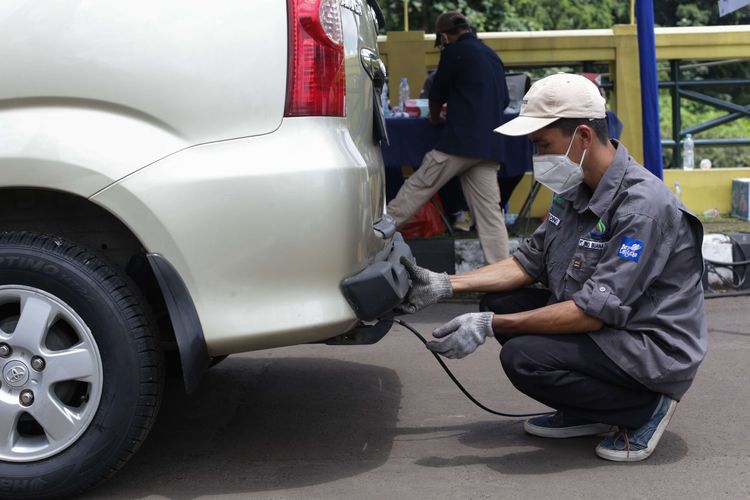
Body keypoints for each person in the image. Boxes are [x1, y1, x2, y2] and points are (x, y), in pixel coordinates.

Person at [397, 73, 707, 462]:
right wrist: (445, 284)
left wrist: (491, 325)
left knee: (522, 357)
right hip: (612, 328)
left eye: (543, 145)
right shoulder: (574, 190)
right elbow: (526, 263)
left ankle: (643, 408)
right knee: (503, 301)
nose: (538, 158)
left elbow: (591, 313)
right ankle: (589, 409)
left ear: (582, 136)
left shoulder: (641, 208)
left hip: (648, 347)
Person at [386, 11, 510, 262]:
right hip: (489, 146)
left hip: (459, 143)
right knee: (490, 214)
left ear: (444, 36)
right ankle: (503, 272)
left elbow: (436, 94)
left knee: (417, 188)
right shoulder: (491, 55)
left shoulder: (453, 52)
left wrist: (434, 118)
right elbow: (505, 99)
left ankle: (372, 240)